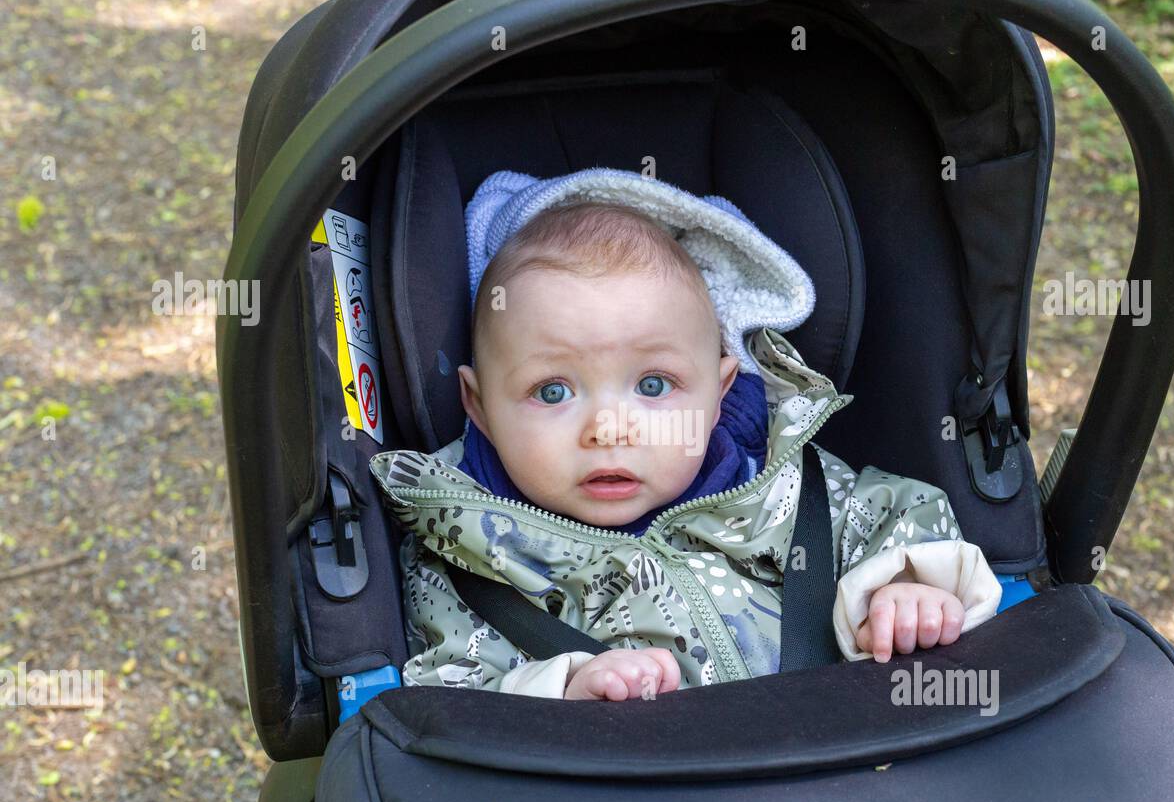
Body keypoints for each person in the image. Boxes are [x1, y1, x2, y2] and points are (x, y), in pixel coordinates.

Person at [370, 167, 1002, 700]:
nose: (608, 430)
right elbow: (445, 687)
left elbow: (898, 511)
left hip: (840, 765)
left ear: (720, 390)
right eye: (553, 391)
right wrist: (562, 687)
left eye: (652, 386)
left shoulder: (778, 486)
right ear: (479, 407)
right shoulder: (464, 555)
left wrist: (903, 586)